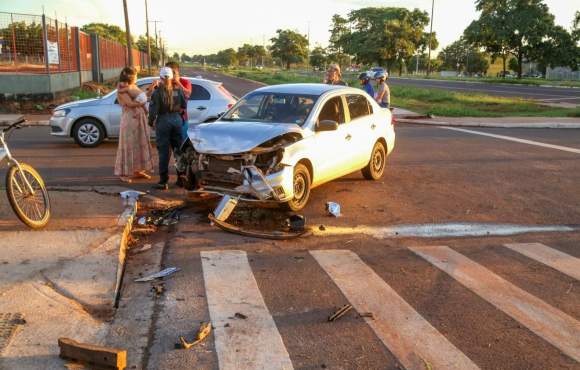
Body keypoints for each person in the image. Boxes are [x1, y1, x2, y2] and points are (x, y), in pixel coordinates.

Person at [148, 67, 187, 190]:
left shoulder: (157, 92)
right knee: (179, 151)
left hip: (163, 121)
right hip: (176, 121)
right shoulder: (178, 90)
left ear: (160, 78)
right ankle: (181, 179)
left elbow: (153, 111)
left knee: (164, 153)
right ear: (171, 78)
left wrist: (151, 123)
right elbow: (183, 106)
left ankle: (163, 181)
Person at [114, 67, 153, 183]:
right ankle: (123, 173)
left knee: (140, 143)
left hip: (139, 118)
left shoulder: (132, 86)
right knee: (128, 146)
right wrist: (142, 101)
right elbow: (130, 103)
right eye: (135, 75)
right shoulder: (122, 88)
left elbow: (140, 97)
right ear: (130, 76)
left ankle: (137, 170)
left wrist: (149, 91)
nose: (137, 77)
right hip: (130, 118)